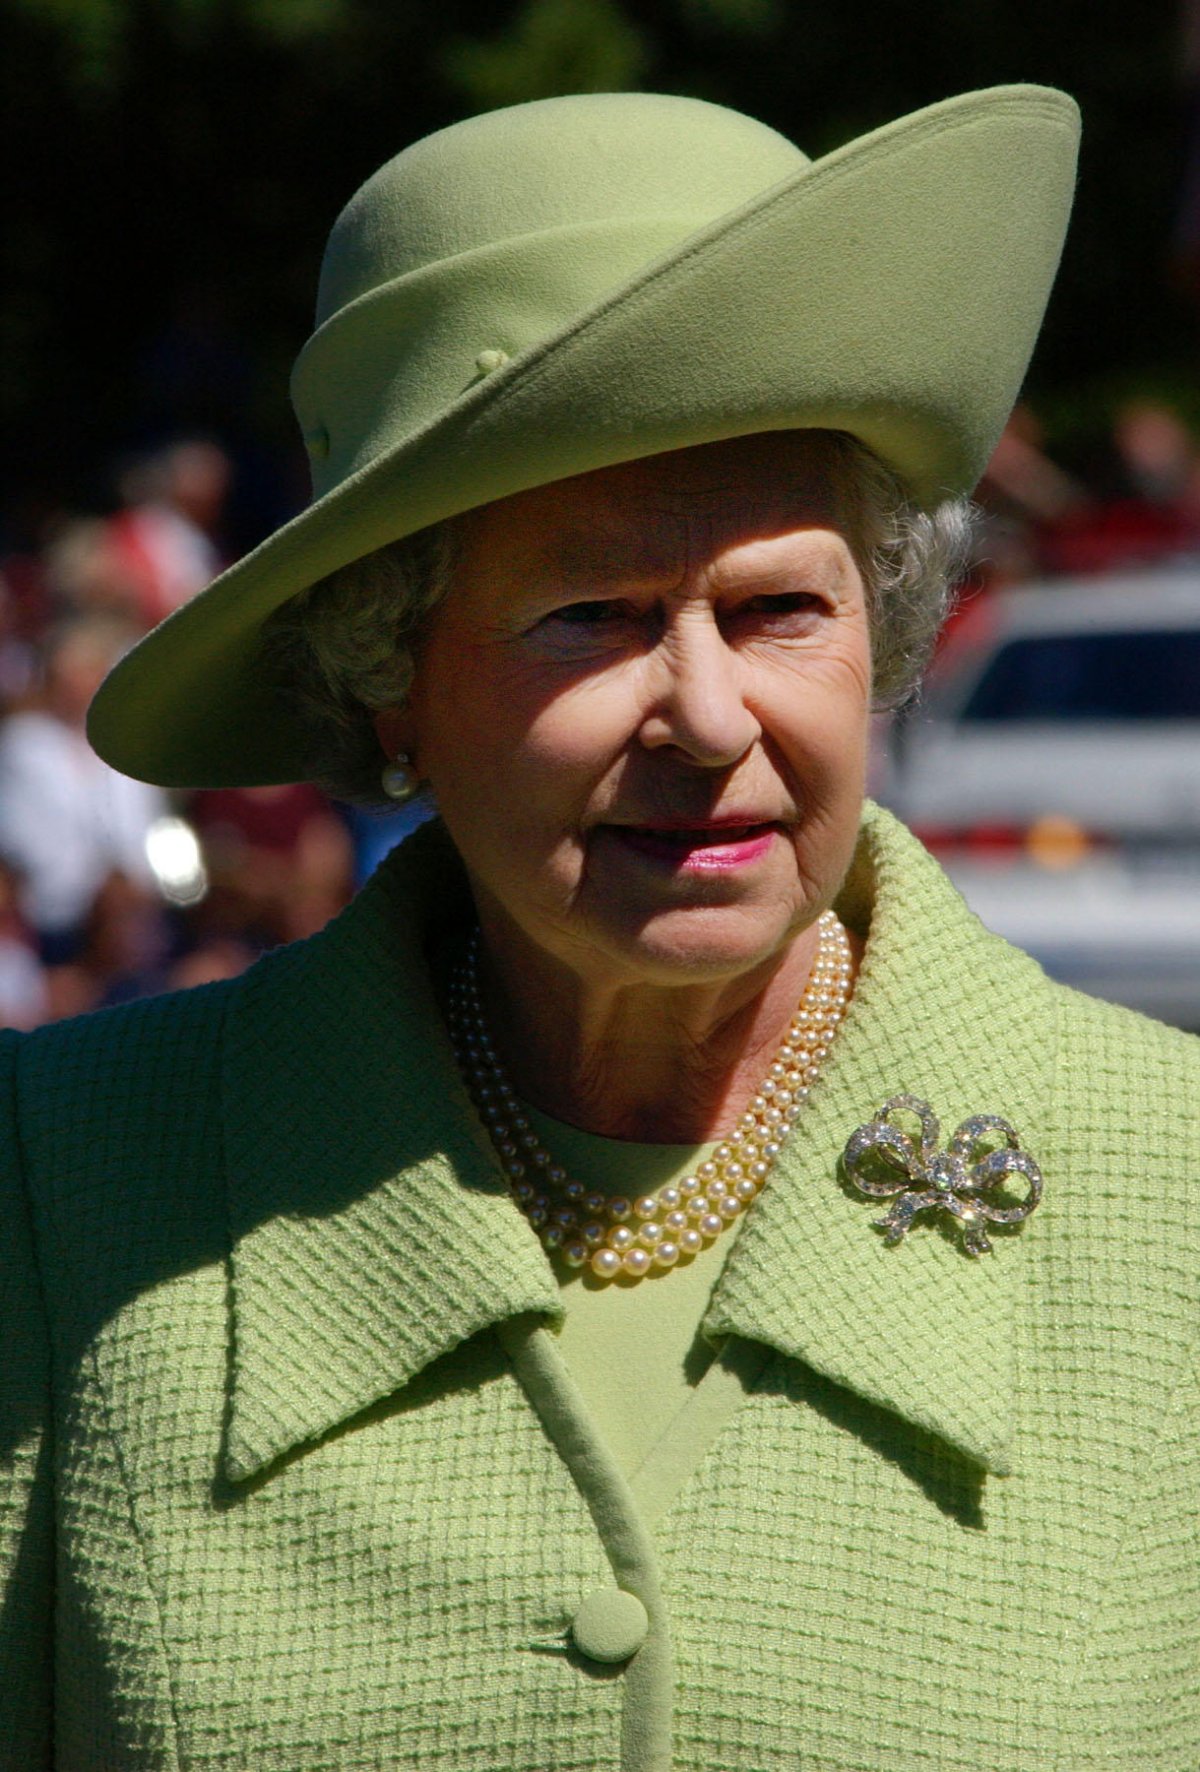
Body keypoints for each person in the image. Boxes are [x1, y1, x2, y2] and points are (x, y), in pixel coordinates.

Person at [3, 86, 1197, 1772]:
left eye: (781, 606)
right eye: (594, 620)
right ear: (389, 686)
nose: (709, 716)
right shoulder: (59, 1187)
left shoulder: (1176, 1196)